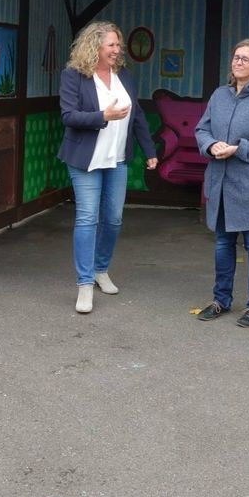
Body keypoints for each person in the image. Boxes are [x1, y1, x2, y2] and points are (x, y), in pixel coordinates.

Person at [58, 21, 158, 314]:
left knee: (113, 218)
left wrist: (149, 150)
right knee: (88, 219)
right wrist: (104, 116)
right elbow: (68, 116)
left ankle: (101, 269)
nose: (117, 50)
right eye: (112, 45)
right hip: (85, 160)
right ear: (95, 46)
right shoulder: (73, 75)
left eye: (118, 45)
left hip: (117, 159)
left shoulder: (123, 74)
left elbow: (136, 114)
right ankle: (85, 284)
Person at [194, 39, 249, 328]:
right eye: (235, 57)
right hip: (220, 182)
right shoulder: (219, 95)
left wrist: (238, 148)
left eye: (245, 59)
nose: (238, 62)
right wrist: (210, 146)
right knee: (222, 243)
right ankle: (221, 300)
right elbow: (202, 128)